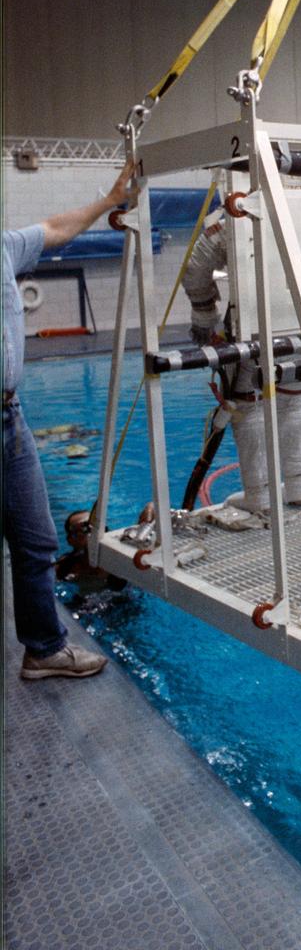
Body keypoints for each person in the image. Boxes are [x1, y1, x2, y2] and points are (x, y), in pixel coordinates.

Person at [3, 160, 135, 680]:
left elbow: (56, 228)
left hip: (9, 419)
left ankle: (44, 649)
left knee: (36, 540)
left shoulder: (5, 247)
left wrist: (109, 200)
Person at [181, 209, 301, 513]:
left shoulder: (238, 214)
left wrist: (205, 321)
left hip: (254, 325)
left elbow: (194, 268)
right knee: (294, 405)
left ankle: (260, 495)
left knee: (248, 408)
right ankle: (300, 487)